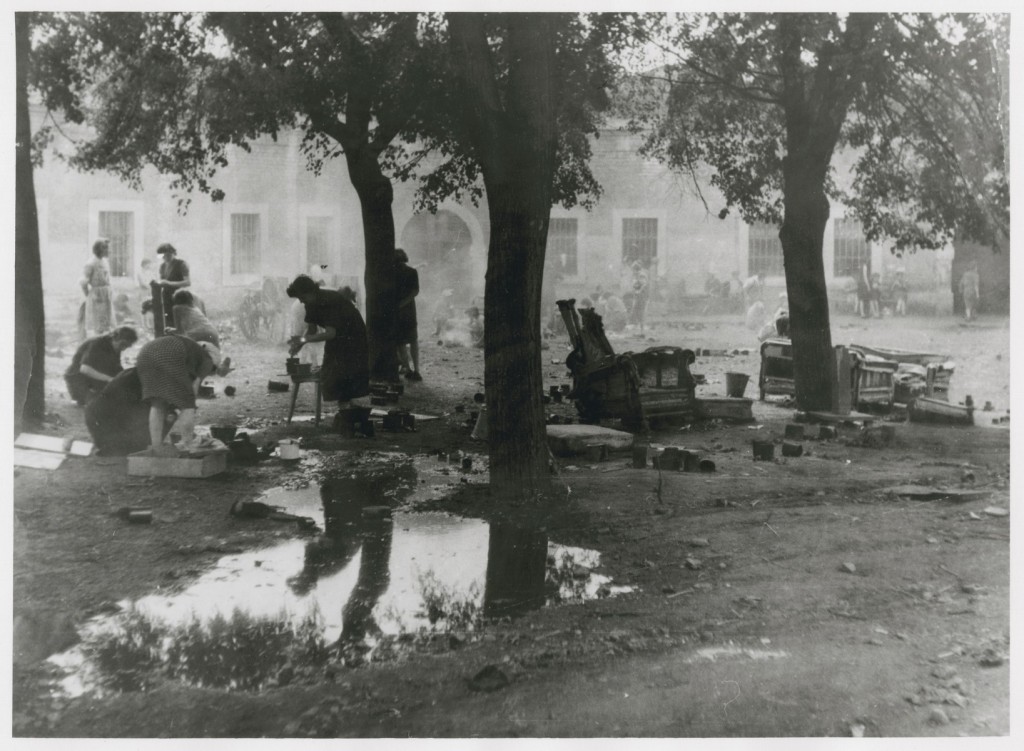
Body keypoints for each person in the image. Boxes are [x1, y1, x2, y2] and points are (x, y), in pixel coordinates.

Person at [287, 274, 370, 415]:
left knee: (342, 369)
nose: (301, 301)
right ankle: (345, 408)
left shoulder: (328, 301)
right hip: (339, 335)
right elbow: (312, 330)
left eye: (302, 297)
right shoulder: (310, 303)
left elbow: (330, 334)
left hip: (353, 334)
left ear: (310, 292)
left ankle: (347, 409)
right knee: (332, 368)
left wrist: (304, 340)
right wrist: (299, 344)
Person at [135, 334, 229, 454]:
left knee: (157, 403)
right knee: (187, 405)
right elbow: (194, 385)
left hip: (145, 354)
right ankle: (187, 444)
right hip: (170, 352)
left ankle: (156, 446)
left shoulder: (192, 350)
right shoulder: (207, 359)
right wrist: (189, 405)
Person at [85, 367, 167, 456]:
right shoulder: (151, 376)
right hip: (107, 420)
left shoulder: (138, 370)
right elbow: (157, 409)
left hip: (99, 414)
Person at [64, 326, 138, 405]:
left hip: (95, 377)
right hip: (78, 379)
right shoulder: (97, 343)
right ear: (115, 338)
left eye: (126, 346)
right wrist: (109, 379)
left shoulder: (114, 345)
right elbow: (84, 369)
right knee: (101, 404)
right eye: (122, 344)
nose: (123, 349)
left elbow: (116, 369)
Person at [394, 248, 422, 381]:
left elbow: (415, 291)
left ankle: (409, 368)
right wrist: (404, 303)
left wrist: (399, 304)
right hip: (409, 311)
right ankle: (414, 370)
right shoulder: (411, 271)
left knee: (401, 341)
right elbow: (415, 292)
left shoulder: (392, 273)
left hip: (399, 311)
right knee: (412, 339)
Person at [81, 238, 116, 338]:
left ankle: (106, 340)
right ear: (100, 249)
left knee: (107, 320)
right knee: (98, 321)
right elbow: (84, 282)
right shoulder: (91, 263)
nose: (109, 251)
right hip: (97, 295)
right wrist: (88, 294)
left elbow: (107, 278)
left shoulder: (104, 261)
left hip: (106, 294)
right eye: (107, 249)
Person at [156, 243, 191, 330]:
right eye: (163, 255)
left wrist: (169, 283)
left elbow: (187, 282)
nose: (166, 257)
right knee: (168, 319)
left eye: (168, 254)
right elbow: (162, 281)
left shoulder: (181, 264)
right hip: (166, 296)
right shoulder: (162, 266)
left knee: (179, 320)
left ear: (174, 253)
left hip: (179, 296)